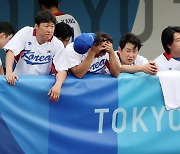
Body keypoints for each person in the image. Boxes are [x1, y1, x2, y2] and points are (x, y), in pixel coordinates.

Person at [3, 10, 68, 102]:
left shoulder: (57, 44)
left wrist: (58, 85)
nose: (49, 30)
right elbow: (11, 51)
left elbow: (62, 69)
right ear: (36, 26)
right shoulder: (26, 33)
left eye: (52, 26)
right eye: (46, 26)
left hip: (41, 88)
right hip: (19, 84)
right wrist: (9, 72)